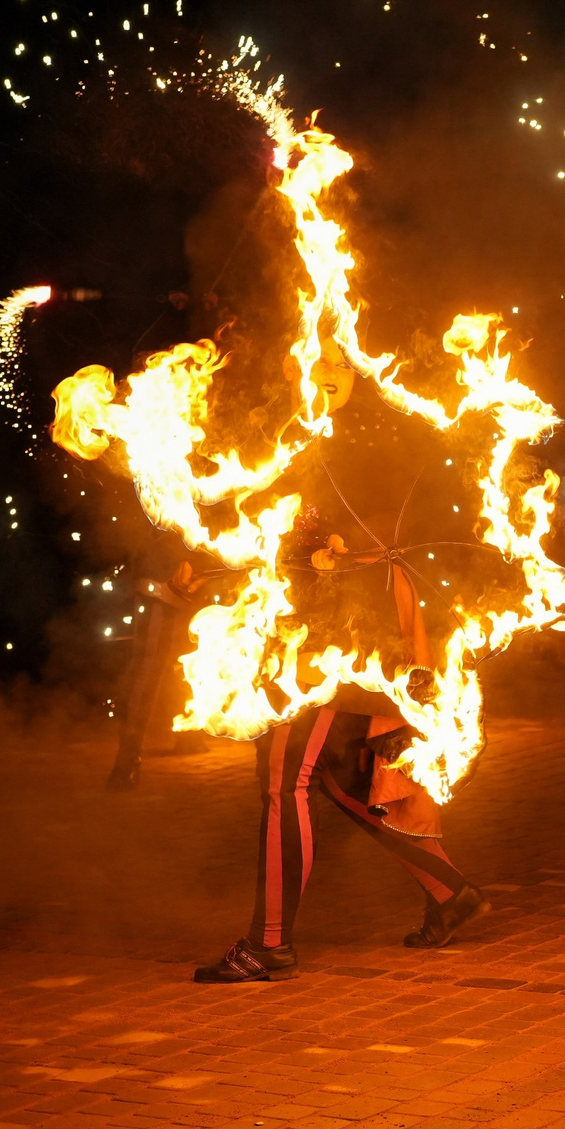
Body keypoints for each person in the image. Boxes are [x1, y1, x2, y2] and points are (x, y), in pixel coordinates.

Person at [194, 341, 487, 983]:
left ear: (358, 367)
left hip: (339, 636)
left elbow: (392, 539)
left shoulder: (366, 439)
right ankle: (448, 892)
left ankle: (268, 941)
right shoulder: (301, 431)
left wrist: (343, 553)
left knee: (283, 778)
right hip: (312, 626)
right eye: (315, 359)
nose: (324, 372)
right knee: (334, 780)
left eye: (338, 362)